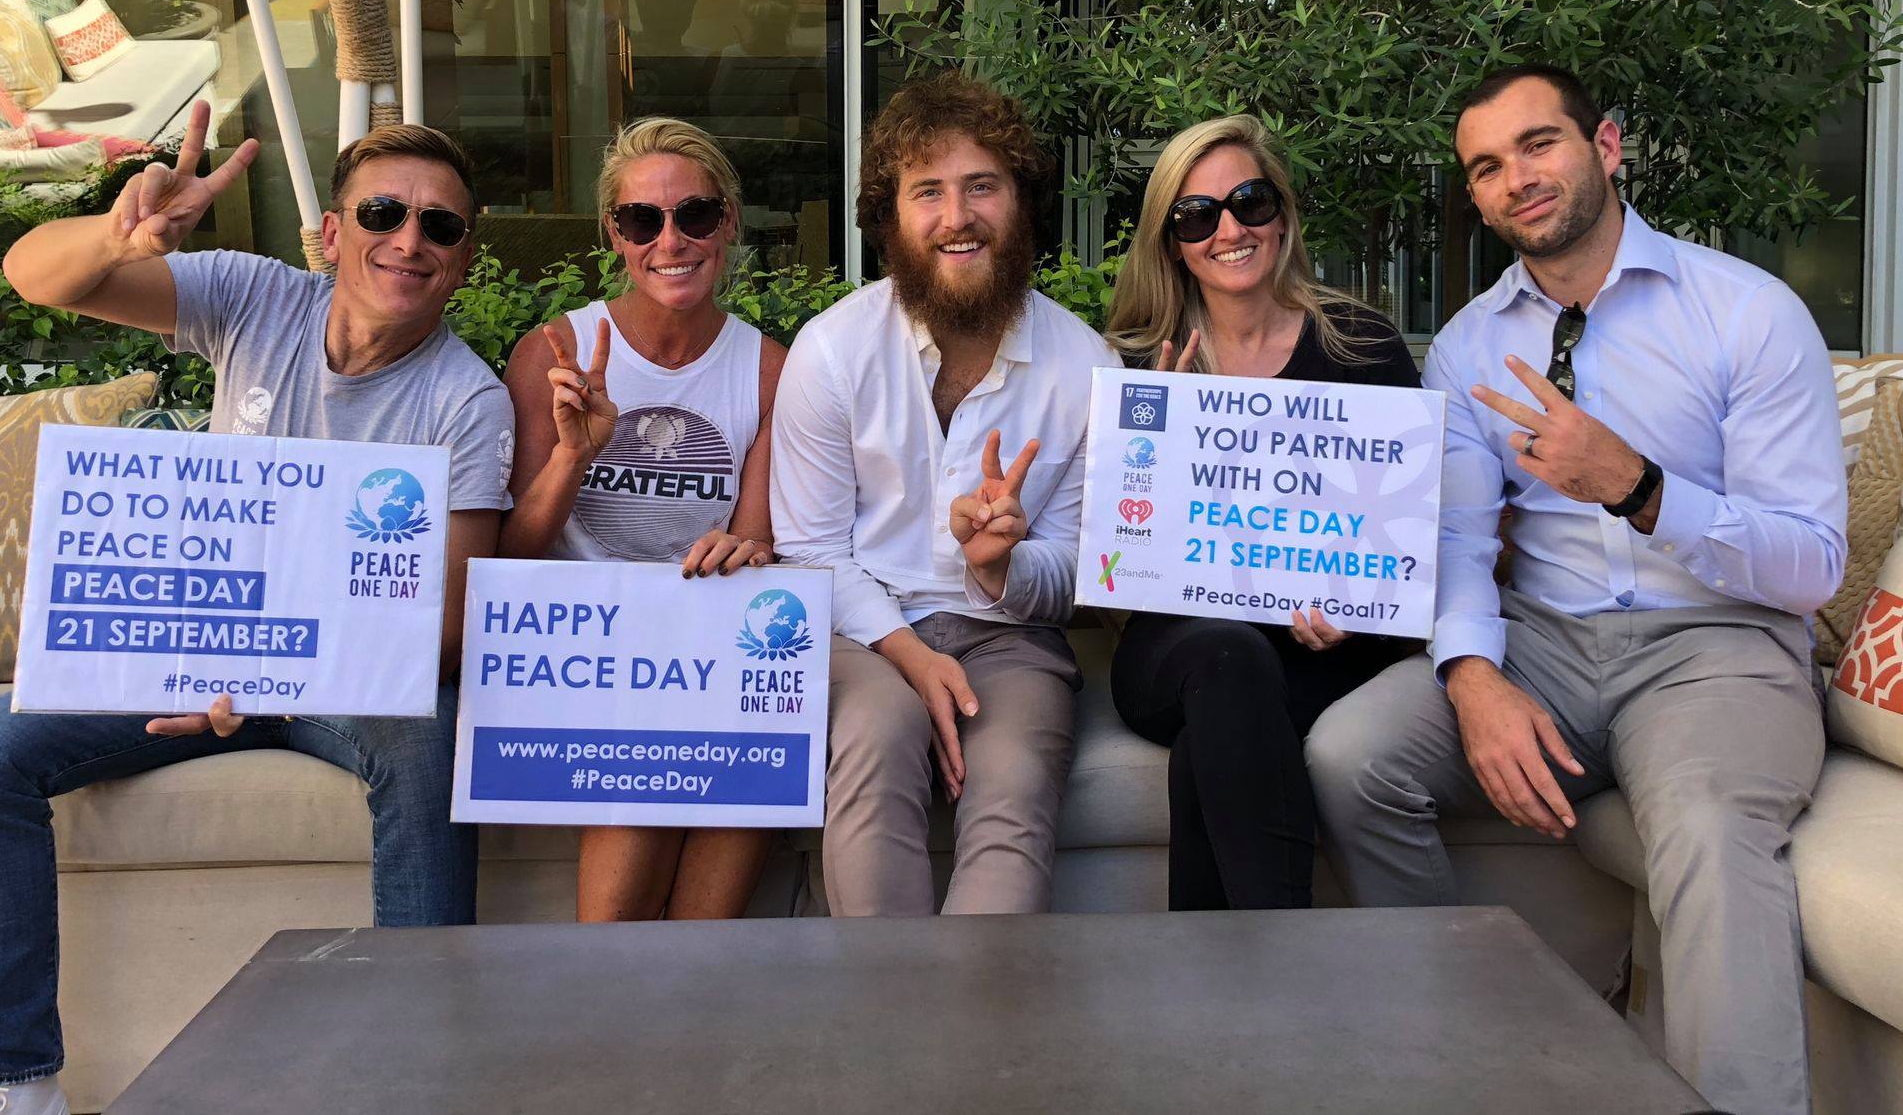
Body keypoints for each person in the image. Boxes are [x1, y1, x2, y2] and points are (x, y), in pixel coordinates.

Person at [0, 105, 511, 1115]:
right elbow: (34, 273)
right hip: (188, 655)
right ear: (331, 235)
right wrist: (117, 238)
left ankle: (422, 1075)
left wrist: (275, 675)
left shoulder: (468, 401)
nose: (409, 240)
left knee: (430, 742)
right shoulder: (254, 299)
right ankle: (10, 1082)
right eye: (382, 212)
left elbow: (447, 622)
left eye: (441, 226)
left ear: (462, 261)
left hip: (344, 683)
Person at [1305, 65, 1845, 1115]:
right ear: (1474, 197)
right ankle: (1466, 1062)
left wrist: (1639, 490)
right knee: (1348, 757)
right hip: (1542, 641)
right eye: (1486, 167)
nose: (1517, 178)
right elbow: (1458, 544)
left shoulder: (1744, 314)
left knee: (1700, 822)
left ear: (1604, 145)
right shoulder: (1465, 348)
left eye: (1537, 144)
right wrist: (1470, 676)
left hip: (1716, 646)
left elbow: (1810, 565)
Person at [772, 71, 1119, 916]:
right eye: (928, 191)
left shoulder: (1085, 367)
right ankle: (888, 1023)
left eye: (981, 187)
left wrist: (1002, 566)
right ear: (890, 215)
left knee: (1013, 791)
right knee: (875, 734)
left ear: (1022, 202)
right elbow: (812, 551)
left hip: (1009, 641)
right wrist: (909, 654)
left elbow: (1083, 570)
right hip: (861, 633)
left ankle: (972, 1031)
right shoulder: (832, 352)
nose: (956, 216)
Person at [1103, 115, 1419, 912]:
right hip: (1180, 645)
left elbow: (1400, 541)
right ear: (1171, 241)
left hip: (1326, 652)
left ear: (1282, 213)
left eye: (1250, 201)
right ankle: (1286, 975)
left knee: (1210, 746)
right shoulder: (1138, 361)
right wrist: (1162, 443)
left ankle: (1215, 1006)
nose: (1230, 230)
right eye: (1198, 215)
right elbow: (1116, 565)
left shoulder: (1363, 346)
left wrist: (1358, 612)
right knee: (1227, 662)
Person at [501, 117, 787, 922]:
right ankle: (611, 1000)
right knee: (655, 757)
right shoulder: (553, 352)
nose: (672, 240)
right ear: (615, 237)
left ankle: (677, 1011)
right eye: (642, 220)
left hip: (698, 645)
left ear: (727, 223)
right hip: (576, 648)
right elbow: (513, 553)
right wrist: (573, 455)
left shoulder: (767, 370)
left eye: (695, 215)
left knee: (737, 747)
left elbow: (755, 545)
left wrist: (746, 550)